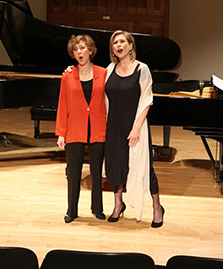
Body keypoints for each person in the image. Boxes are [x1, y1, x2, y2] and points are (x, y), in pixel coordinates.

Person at [104, 30, 165, 228]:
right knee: (116, 165)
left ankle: (157, 207)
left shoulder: (142, 69)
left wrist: (136, 128)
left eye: (122, 42)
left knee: (144, 167)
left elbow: (147, 100)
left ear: (131, 46)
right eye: (115, 43)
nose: (118, 45)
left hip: (135, 126)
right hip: (113, 125)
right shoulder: (109, 69)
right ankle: (118, 204)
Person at [56, 35, 107, 223]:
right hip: (74, 129)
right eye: (76, 49)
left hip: (98, 128)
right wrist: (61, 132)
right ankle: (72, 209)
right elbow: (63, 105)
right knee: (73, 172)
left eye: (83, 48)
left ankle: (98, 208)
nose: (79, 52)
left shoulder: (104, 73)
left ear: (90, 51)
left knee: (96, 171)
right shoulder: (67, 76)